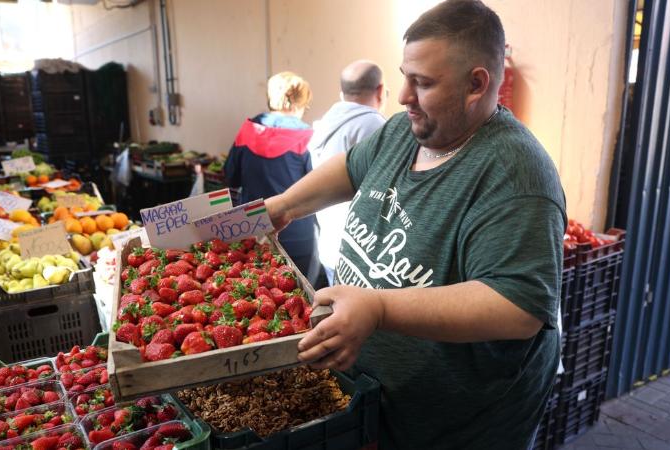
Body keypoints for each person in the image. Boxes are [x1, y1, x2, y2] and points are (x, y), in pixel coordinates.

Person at [266, 1, 566, 448]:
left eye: (422, 83)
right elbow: (352, 167)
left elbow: (518, 307)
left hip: (453, 431)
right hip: (374, 408)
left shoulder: (516, 175)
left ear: (476, 84)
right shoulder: (408, 129)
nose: (404, 95)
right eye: (405, 75)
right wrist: (285, 206)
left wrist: (379, 308)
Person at [224, 71, 323, 285]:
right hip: (298, 235)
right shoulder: (309, 137)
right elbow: (319, 188)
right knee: (299, 297)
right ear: (299, 103)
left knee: (257, 297)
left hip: (253, 228)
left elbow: (230, 176)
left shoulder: (249, 130)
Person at [309, 60, 387, 285]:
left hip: (329, 243)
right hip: (360, 251)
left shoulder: (327, 122)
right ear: (380, 90)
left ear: (341, 93)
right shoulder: (373, 125)